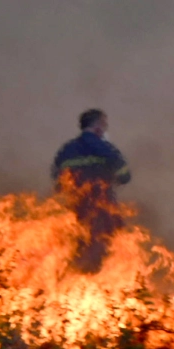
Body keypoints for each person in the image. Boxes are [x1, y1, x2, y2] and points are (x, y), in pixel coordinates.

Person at [51, 108, 132, 272]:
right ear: (98, 126)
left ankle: (76, 282)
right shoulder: (105, 148)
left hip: (74, 209)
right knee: (108, 244)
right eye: (104, 124)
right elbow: (125, 174)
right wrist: (114, 178)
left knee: (78, 246)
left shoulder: (66, 150)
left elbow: (56, 177)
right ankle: (102, 283)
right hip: (102, 207)